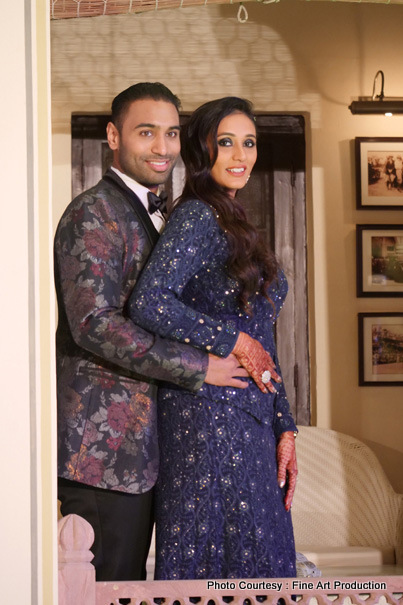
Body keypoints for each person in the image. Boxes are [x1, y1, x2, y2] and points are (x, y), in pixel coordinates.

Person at [54, 83, 256, 586]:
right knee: (105, 587)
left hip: (156, 446)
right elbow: (94, 324)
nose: (162, 148)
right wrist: (199, 366)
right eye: (147, 133)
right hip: (105, 452)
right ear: (113, 136)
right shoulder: (93, 212)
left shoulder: (165, 211)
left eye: (170, 134)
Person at [129, 96, 298, 580]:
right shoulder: (198, 216)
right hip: (207, 416)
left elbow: (262, 332)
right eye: (226, 143)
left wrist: (285, 425)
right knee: (220, 566)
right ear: (203, 151)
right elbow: (149, 301)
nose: (240, 155)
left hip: (251, 417)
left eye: (249, 143)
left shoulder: (235, 220)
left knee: (261, 563)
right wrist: (233, 342)